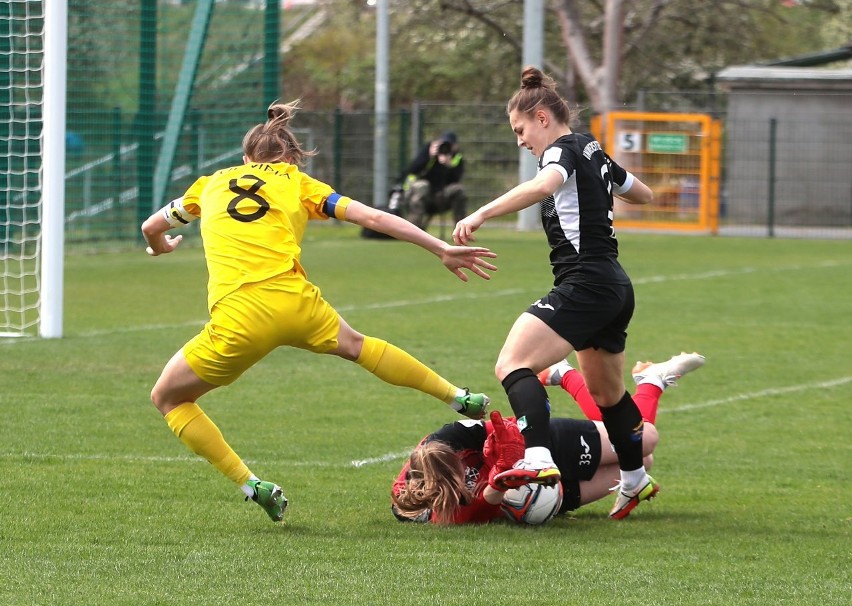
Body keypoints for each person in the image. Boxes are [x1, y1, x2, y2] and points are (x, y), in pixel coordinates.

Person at [141, 100, 498, 524]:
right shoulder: (299, 183)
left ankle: (252, 484)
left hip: (238, 319)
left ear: (245, 158)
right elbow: (374, 216)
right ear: (291, 157)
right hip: (296, 303)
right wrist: (440, 247)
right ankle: (458, 396)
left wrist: (161, 246)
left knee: (167, 397)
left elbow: (151, 226)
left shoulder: (209, 184)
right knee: (357, 345)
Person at [452, 66, 657, 519]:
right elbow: (642, 193)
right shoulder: (591, 148)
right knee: (608, 396)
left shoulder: (561, 151)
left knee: (512, 363)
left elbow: (545, 184)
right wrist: (605, 176)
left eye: (520, 130)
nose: (520, 141)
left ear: (541, 117)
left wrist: (483, 212)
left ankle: (539, 457)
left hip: (585, 282)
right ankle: (634, 478)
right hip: (614, 286)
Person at [391, 352, 704, 525]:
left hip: (540, 446)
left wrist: (505, 452)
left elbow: (507, 430)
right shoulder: (418, 508)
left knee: (645, 441)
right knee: (640, 460)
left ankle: (645, 380)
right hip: (526, 494)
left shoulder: (449, 438)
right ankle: (573, 375)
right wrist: (499, 480)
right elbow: (473, 514)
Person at [402, 131, 467, 231]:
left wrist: (447, 165)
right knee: (422, 185)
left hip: (442, 194)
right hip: (423, 193)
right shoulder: (429, 152)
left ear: (454, 146)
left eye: (449, 145)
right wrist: (429, 157)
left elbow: (455, 180)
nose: (445, 148)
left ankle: (461, 230)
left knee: (459, 190)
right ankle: (413, 229)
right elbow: (413, 169)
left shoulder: (456, 157)